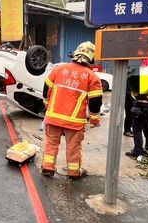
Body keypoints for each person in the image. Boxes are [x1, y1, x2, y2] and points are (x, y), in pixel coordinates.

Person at [41, 42, 103, 180]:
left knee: (51, 143)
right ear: (91, 58)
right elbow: (95, 102)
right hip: (74, 122)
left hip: (53, 117)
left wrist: (47, 104)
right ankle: (74, 172)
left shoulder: (59, 69)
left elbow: (46, 89)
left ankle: (47, 168)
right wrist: (94, 119)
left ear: (75, 54)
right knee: (73, 147)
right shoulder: (92, 77)